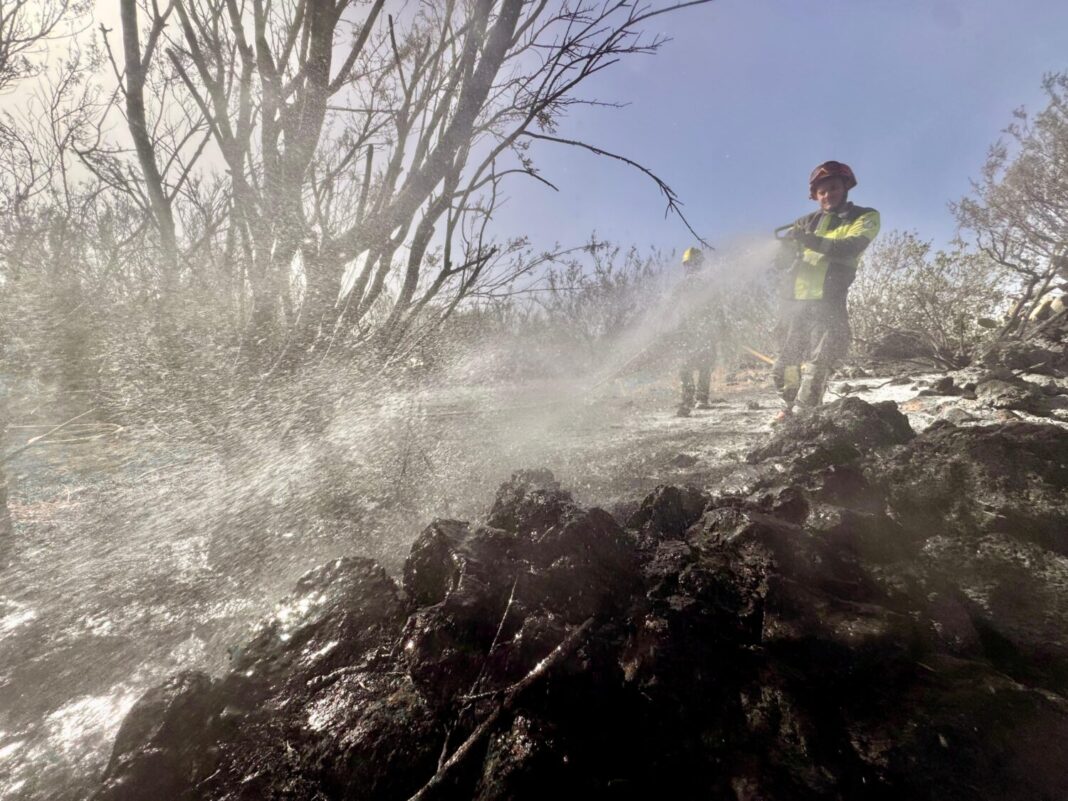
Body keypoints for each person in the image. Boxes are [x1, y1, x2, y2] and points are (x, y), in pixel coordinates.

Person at [772, 161, 880, 419]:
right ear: (815, 195)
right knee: (784, 367)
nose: (827, 195)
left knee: (819, 364)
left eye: (832, 188)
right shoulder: (804, 222)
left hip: (827, 300)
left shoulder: (865, 216)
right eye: (821, 191)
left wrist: (809, 240)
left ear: (845, 188)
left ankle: (803, 416)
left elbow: (851, 246)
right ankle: (792, 408)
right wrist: (785, 251)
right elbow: (781, 264)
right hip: (793, 302)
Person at [672, 247, 720, 417]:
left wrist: (719, 327)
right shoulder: (680, 286)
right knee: (684, 366)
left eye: (695, 264)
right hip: (686, 330)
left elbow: (716, 307)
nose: (691, 267)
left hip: (705, 329)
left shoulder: (707, 284)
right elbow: (672, 308)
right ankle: (688, 398)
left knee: (705, 365)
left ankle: (702, 398)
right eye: (689, 265)